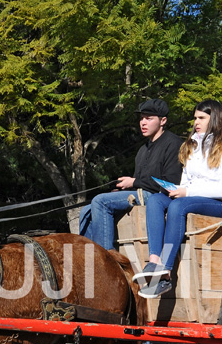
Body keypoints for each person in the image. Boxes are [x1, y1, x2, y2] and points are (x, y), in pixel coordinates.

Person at [134, 100, 222, 298]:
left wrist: (187, 192)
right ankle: (154, 261)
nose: (196, 122)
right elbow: (187, 180)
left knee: (178, 206)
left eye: (202, 118)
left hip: (220, 203)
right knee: (156, 201)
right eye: (195, 118)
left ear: (215, 119)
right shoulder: (193, 144)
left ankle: (165, 274)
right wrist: (176, 188)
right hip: (190, 197)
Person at [79, 98, 184, 251]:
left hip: (158, 199)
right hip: (139, 194)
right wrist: (123, 190)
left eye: (149, 118)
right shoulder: (142, 150)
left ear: (163, 121)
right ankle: (89, 260)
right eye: (141, 118)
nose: (143, 122)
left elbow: (170, 183)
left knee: (100, 201)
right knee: (85, 211)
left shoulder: (174, 144)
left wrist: (133, 183)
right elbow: (138, 183)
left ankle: (106, 259)